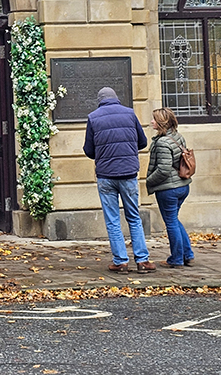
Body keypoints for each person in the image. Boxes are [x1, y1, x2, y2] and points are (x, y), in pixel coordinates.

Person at [83, 87, 156, 273]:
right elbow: (142, 142)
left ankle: (121, 261)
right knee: (134, 217)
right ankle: (142, 260)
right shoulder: (130, 113)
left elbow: (89, 150)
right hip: (128, 174)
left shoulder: (93, 117)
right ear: (116, 98)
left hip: (106, 176)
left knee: (112, 220)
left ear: (100, 101)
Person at [145, 107, 195, 268]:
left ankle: (177, 259)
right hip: (182, 186)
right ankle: (188, 255)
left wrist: (149, 181)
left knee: (171, 223)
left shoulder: (162, 143)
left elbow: (164, 169)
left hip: (168, 189)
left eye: (154, 119)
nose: (151, 121)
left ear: (162, 122)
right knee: (174, 219)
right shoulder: (177, 136)